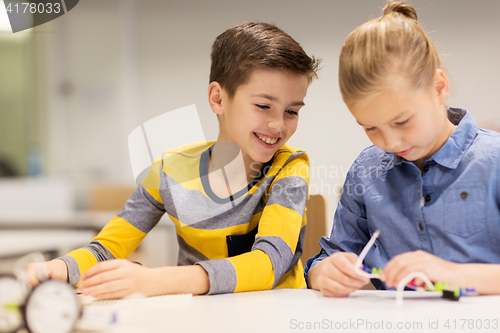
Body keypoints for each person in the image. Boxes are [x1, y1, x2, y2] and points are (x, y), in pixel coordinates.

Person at [27, 22, 321, 298]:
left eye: (292, 111)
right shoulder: (171, 170)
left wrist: (154, 281)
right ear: (218, 99)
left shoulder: (290, 167)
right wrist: (59, 269)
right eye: (263, 105)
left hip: (273, 316)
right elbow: (106, 249)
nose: (278, 125)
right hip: (196, 319)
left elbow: (268, 264)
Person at [305, 1, 500, 297]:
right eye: (370, 128)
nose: (390, 143)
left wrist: (453, 274)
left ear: (439, 88)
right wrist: (325, 273)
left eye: (402, 121)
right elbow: (327, 260)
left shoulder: (493, 161)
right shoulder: (365, 172)